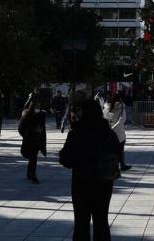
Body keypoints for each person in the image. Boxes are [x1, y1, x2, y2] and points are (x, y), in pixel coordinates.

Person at [60, 96, 122, 241]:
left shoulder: (76, 133)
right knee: (101, 221)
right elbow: (117, 152)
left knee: (81, 223)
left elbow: (66, 160)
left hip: (82, 183)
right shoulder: (108, 133)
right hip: (103, 182)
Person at [19, 97, 47, 183]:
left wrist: (26, 135)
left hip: (29, 138)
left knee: (32, 157)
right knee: (33, 157)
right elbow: (42, 130)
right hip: (35, 138)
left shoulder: (26, 113)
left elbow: (20, 128)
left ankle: (31, 173)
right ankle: (32, 174)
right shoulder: (40, 114)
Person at [103, 93, 132, 171]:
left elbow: (106, 118)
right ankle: (122, 165)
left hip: (109, 130)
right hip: (119, 130)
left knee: (111, 149)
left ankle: (110, 165)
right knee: (120, 148)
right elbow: (123, 119)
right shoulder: (121, 106)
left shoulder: (106, 107)